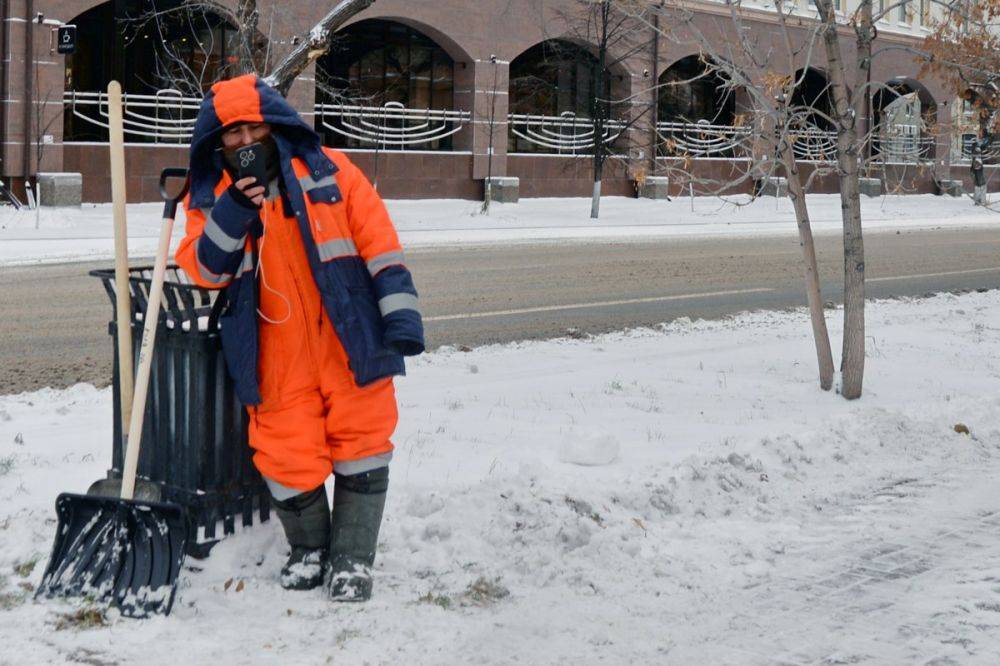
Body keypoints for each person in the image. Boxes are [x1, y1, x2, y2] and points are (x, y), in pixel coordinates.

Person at [175, 74, 424, 601]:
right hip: (272, 349)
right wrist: (236, 209)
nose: (244, 142)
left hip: (348, 337)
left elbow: (380, 244)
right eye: (232, 134)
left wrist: (401, 317)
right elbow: (202, 269)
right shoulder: (209, 197)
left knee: (364, 439)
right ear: (215, 142)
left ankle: (352, 560)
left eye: (254, 128)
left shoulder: (330, 169)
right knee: (285, 452)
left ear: (275, 123)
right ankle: (310, 549)